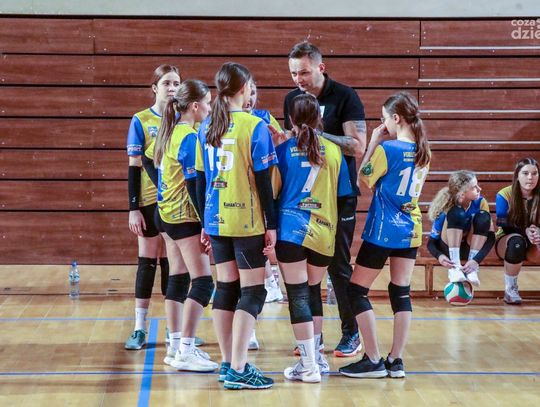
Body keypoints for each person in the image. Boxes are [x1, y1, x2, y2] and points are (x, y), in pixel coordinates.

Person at [195, 62, 277, 389]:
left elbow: (199, 181)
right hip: (246, 221)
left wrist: (204, 221)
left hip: (216, 219)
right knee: (254, 291)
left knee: (227, 289)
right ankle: (240, 368)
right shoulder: (254, 125)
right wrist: (271, 224)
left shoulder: (206, 126)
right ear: (244, 88)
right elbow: (264, 181)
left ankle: (228, 363)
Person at [281, 41, 366, 357]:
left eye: (303, 72)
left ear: (321, 67)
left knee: (338, 266)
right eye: (293, 73)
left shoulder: (344, 96)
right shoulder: (291, 99)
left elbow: (357, 145)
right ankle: (312, 338)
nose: (298, 79)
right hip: (301, 201)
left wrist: (316, 135)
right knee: (306, 270)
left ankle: (351, 333)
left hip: (338, 196)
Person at [339, 92, 430, 379]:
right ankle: (396, 359)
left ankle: (373, 358)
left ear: (396, 118)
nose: (382, 124)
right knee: (400, 291)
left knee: (356, 291)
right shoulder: (424, 151)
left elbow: (363, 179)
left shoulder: (388, 149)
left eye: (384, 118)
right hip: (410, 228)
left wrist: (374, 142)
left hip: (383, 229)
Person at [273, 94, 352, 382]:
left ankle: (308, 365)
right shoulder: (334, 151)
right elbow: (345, 196)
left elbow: (273, 193)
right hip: (324, 232)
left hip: (290, 230)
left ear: (290, 120)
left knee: (298, 295)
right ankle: (316, 358)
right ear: (320, 119)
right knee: (313, 291)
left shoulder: (283, 151)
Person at [147, 79, 218, 372]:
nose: (211, 108)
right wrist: (205, 223)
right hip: (183, 217)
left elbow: (149, 162)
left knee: (177, 278)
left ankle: (175, 345)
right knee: (203, 282)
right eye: (209, 103)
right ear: (196, 106)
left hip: (164, 213)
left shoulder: (170, 131)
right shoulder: (188, 136)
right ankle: (186, 350)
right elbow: (193, 184)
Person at [124, 64, 180, 350]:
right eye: (167, 83)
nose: (172, 88)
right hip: (148, 201)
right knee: (147, 261)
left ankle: (173, 329)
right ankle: (139, 328)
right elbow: (134, 167)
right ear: (155, 88)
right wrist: (133, 208)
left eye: (176, 83)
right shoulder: (141, 120)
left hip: (175, 201)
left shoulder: (183, 120)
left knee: (172, 263)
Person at [242, 79, 284, 351]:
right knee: (240, 274)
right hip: (237, 203)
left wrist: (278, 142)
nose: (251, 98)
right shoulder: (223, 122)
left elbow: (281, 151)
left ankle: (270, 284)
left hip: (265, 197)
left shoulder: (265, 119)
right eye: (247, 92)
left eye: (254, 92)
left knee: (253, 269)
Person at [427, 171, 495, 287]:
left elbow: (491, 237)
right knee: (456, 212)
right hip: (448, 250)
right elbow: (431, 243)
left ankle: (472, 270)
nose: (479, 189)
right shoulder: (446, 205)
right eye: (474, 187)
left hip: (470, 249)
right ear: (462, 193)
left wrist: (476, 260)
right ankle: (455, 268)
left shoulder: (480, 202)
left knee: (483, 216)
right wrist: (440, 256)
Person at [495, 158, 540, 304]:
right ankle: (510, 289)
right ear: (517, 175)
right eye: (525, 173)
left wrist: (538, 231)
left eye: (534, 173)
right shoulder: (504, 194)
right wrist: (524, 231)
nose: (530, 177)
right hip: (508, 238)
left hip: (534, 241)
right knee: (517, 243)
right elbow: (502, 222)